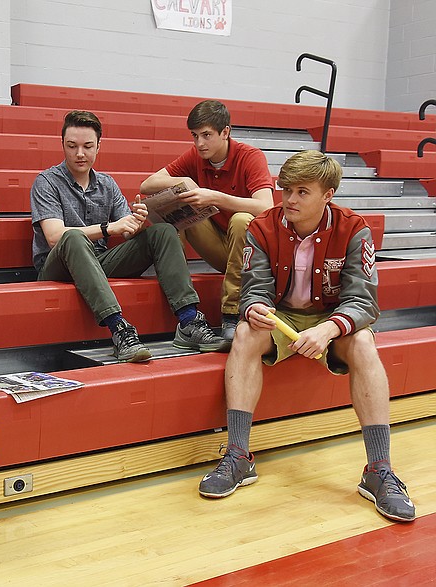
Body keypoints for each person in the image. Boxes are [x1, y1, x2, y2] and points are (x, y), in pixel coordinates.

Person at [197, 150, 416, 523]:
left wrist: (329, 328)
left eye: (302, 192)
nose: (290, 200)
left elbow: (364, 302)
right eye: (286, 190)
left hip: (331, 319)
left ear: (327, 195)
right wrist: (253, 308)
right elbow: (253, 290)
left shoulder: (353, 229)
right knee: (247, 333)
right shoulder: (262, 226)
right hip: (281, 317)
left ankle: (379, 470)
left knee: (363, 341)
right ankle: (238, 457)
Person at [31, 110, 226, 362]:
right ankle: (119, 328)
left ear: (99, 147)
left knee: (163, 231)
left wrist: (140, 219)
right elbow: (54, 237)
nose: (80, 153)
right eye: (72, 146)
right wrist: (107, 228)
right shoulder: (46, 181)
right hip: (57, 267)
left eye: (88, 146)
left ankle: (189, 321)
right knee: (73, 238)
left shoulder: (107, 184)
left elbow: (127, 228)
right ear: (63, 146)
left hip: (98, 262)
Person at [140, 100, 275, 345]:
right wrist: (183, 182)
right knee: (180, 209)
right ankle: (185, 309)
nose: (199, 143)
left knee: (242, 219)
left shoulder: (250, 157)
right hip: (221, 247)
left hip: (253, 254)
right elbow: (146, 185)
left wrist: (215, 197)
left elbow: (266, 206)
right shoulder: (196, 156)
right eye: (194, 136)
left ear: (226, 132)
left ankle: (231, 315)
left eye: (206, 135)